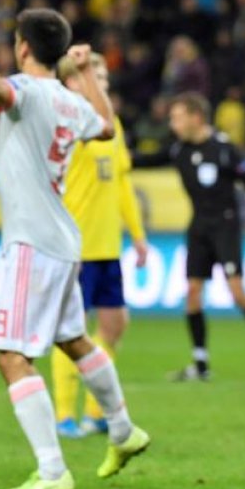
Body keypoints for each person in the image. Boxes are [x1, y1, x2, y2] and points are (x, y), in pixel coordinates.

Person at [0, 8, 150, 489]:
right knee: (74, 340)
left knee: (12, 356)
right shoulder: (67, 99)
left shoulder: (31, 91)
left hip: (32, 241)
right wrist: (82, 75)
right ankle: (123, 430)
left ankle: (53, 470)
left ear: (21, 48)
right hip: (63, 240)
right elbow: (106, 125)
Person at [51, 49, 150, 439]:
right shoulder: (67, 121)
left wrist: (137, 235)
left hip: (108, 246)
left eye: (105, 80)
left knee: (113, 325)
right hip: (75, 247)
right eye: (93, 78)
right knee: (71, 332)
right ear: (72, 83)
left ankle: (96, 412)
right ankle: (63, 415)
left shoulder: (113, 125)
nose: (102, 85)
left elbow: (121, 183)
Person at [155, 91, 245, 381]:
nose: (173, 124)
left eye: (177, 117)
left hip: (226, 227)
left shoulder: (226, 149)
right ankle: (200, 363)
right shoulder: (179, 150)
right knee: (192, 292)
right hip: (199, 228)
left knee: (237, 293)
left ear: (196, 117)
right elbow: (144, 159)